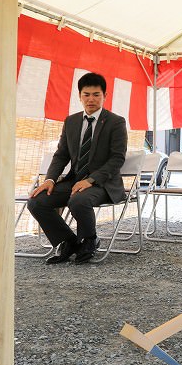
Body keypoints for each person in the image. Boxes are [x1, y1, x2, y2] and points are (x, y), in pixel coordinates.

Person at [28, 72, 128, 265]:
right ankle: (69, 241)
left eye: (96, 94)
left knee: (79, 200)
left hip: (103, 184)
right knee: (36, 202)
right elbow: (61, 155)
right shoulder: (71, 121)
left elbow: (117, 159)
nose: (91, 99)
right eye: (86, 94)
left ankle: (89, 240)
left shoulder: (116, 122)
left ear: (105, 96)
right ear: (79, 96)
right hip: (74, 181)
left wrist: (91, 180)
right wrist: (49, 180)